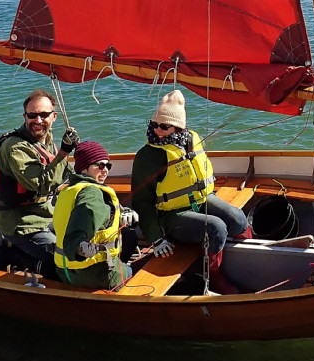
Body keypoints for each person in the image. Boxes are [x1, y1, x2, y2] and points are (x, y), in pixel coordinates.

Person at [130, 89, 249, 294]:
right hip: (172, 215)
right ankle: (213, 275)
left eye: (164, 126)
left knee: (238, 218)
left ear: (179, 127)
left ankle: (250, 257)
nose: (157, 130)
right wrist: (155, 238)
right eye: (154, 125)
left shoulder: (192, 139)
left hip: (202, 198)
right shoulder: (148, 157)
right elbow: (141, 202)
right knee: (217, 227)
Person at [0, 88, 78, 274]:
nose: (38, 121)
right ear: (24, 116)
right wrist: (64, 152)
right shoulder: (15, 147)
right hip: (22, 223)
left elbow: (54, 168)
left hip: (46, 213)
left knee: (77, 243)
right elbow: (41, 184)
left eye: (44, 115)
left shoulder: (44, 138)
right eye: (32, 115)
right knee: (60, 265)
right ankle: (8, 255)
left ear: (54, 117)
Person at [52, 140, 137, 290]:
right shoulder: (91, 194)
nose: (105, 170)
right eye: (100, 165)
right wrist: (79, 246)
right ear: (84, 168)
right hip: (94, 273)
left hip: (65, 270)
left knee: (129, 236)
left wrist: (123, 214)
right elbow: (85, 216)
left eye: (108, 166)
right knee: (134, 273)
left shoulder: (70, 190)